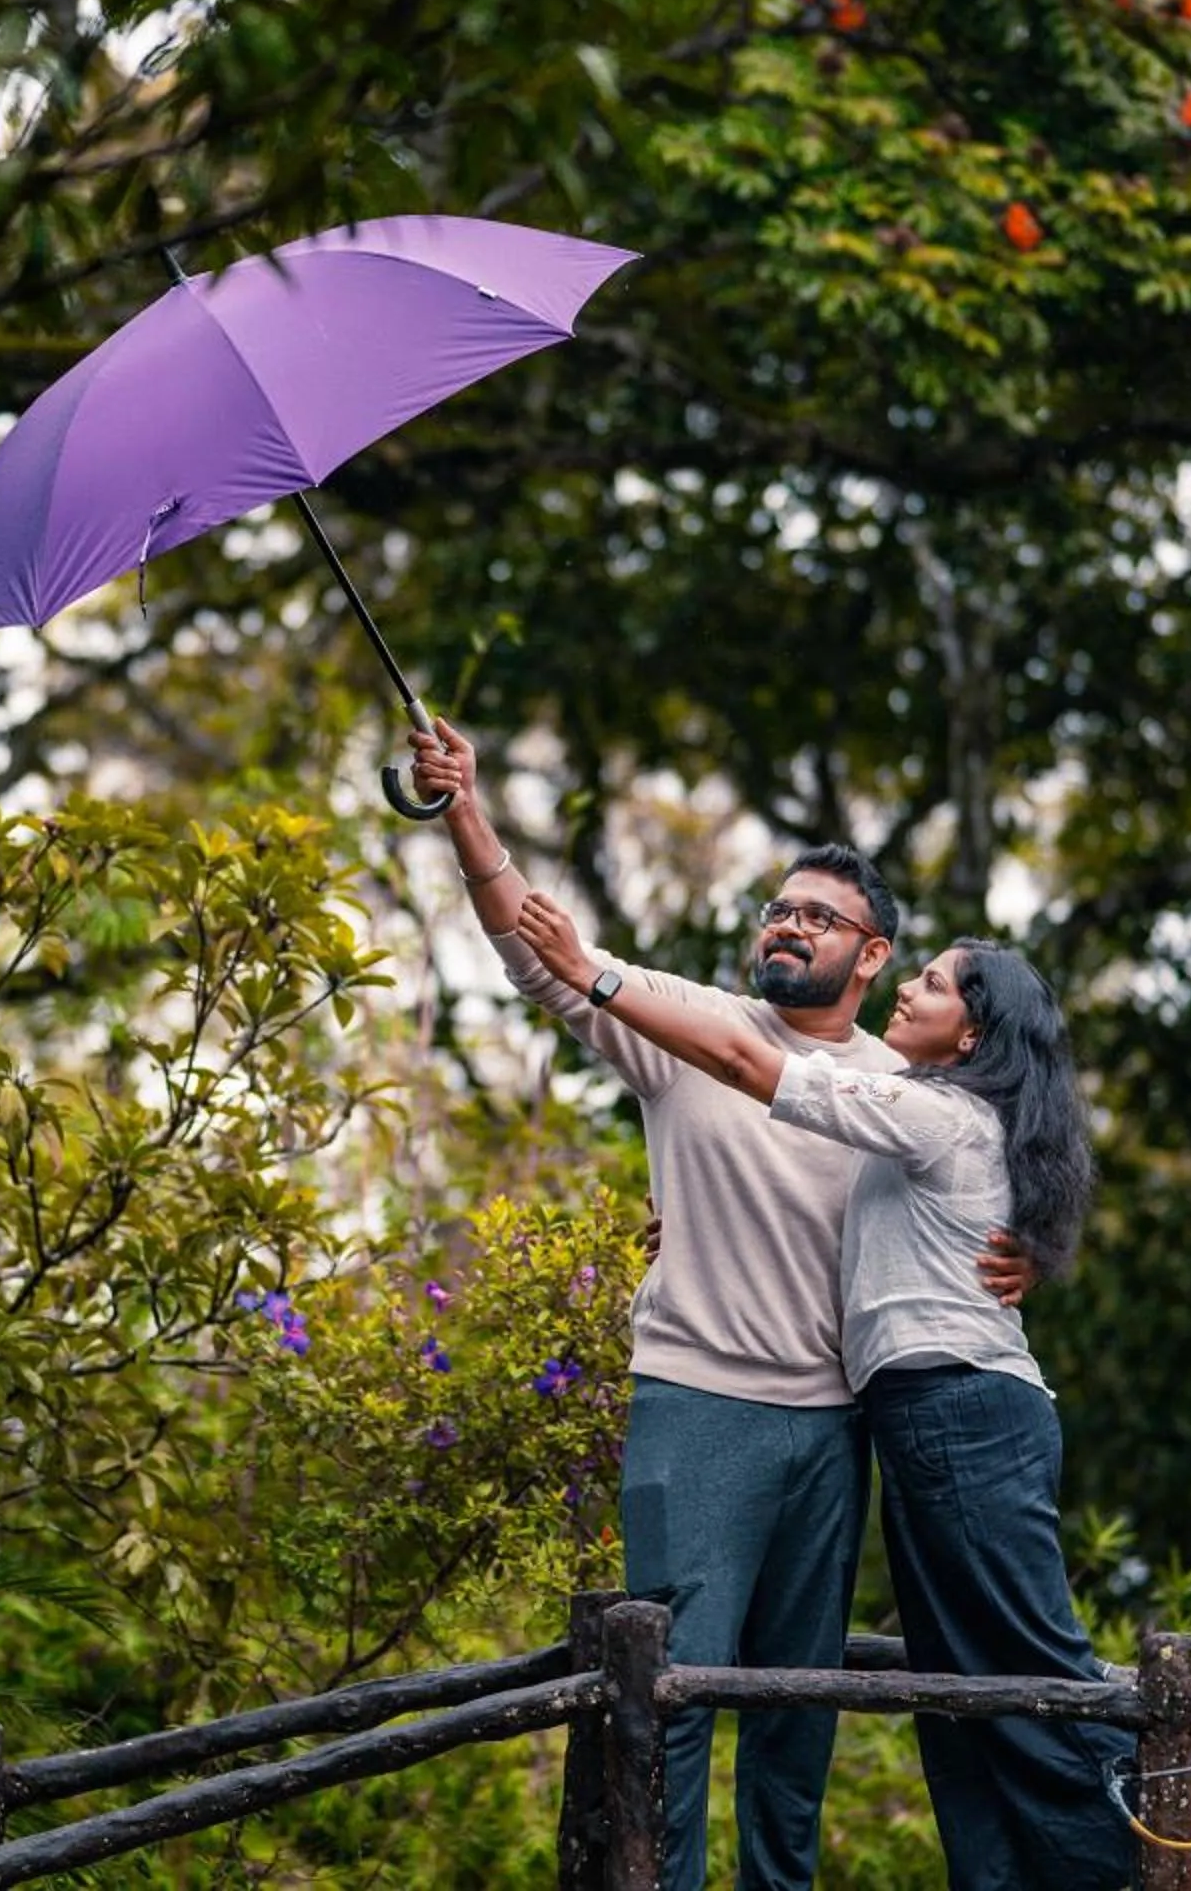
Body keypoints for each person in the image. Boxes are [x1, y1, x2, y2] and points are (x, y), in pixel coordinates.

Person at [406, 720, 1029, 1891]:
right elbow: (538, 954)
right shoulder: (689, 1031)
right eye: (776, 908)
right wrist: (465, 809)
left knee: (799, 1717)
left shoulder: (914, 1092)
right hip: (698, 1405)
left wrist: (1033, 1246)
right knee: (673, 1695)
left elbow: (1012, 1153)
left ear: (876, 955)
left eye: (818, 917)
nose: (786, 926)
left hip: (839, 1427)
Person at [512, 888, 1148, 1891]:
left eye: (932, 983)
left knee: (1029, 1666)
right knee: (962, 1689)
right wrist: (687, 1218)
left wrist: (599, 971)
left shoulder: (935, 1109)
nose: (912, 990)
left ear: (972, 1030)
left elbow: (750, 1066)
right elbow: (803, 1191)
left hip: (959, 1412)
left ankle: (1182, 1868)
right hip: (923, 1416)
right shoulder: (941, 1117)